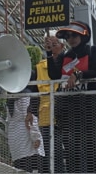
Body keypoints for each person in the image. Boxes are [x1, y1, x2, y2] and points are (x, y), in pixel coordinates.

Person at [48, 20, 96, 173]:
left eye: (74, 35)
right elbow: (53, 75)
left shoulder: (94, 51)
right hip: (68, 110)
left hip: (88, 108)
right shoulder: (65, 55)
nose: (71, 39)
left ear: (84, 36)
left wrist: (78, 75)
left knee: (91, 149)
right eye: (68, 36)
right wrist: (49, 53)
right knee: (71, 150)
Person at [26, 33, 66, 173]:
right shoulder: (39, 67)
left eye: (54, 45)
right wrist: (30, 111)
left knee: (61, 157)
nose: (51, 48)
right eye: (48, 45)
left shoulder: (68, 63)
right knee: (46, 156)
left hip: (64, 118)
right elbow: (35, 92)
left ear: (62, 46)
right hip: (45, 120)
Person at [7, 71, 44, 173]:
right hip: (28, 143)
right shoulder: (26, 96)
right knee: (34, 170)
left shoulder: (11, 98)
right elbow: (31, 120)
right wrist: (36, 137)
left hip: (16, 143)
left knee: (21, 170)